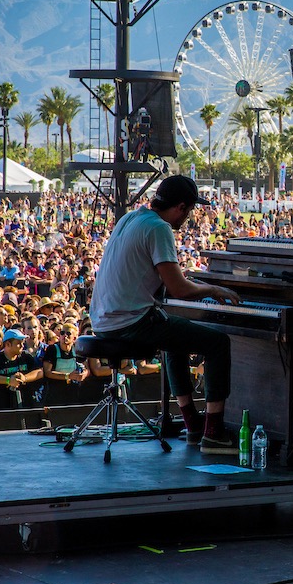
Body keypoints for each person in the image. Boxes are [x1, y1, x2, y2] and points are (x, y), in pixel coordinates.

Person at [89, 175, 241, 454]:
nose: (189, 217)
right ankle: (213, 433)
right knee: (218, 343)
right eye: (190, 210)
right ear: (180, 207)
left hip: (103, 320)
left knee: (174, 338)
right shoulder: (159, 228)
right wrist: (213, 289)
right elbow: (178, 289)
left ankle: (193, 425)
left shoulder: (131, 218)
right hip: (129, 323)